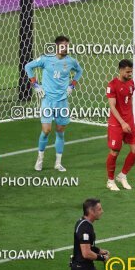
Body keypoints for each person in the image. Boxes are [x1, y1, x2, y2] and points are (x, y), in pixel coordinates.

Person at [25, 35, 83, 172]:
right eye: (63, 46)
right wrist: (35, 85)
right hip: (47, 100)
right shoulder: (46, 59)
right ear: (57, 47)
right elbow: (28, 66)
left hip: (62, 101)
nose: (66, 48)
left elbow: (79, 71)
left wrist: (72, 85)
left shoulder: (71, 61)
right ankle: (39, 159)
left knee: (60, 131)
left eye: (68, 46)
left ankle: (58, 163)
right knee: (46, 130)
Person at [105, 59, 135, 191]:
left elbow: (129, 100)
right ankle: (110, 181)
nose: (130, 74)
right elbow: (112, 106)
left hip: (128, 122)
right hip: (117, 124)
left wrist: (130, 119)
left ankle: (122, 175)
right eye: (127, 72)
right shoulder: (112, 85)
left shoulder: (131, 83)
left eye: (131, 71)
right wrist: (122, 122)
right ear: (120, 70)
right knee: (114, 152)